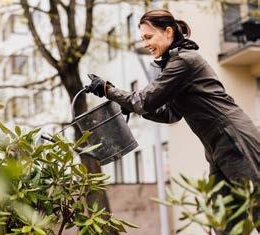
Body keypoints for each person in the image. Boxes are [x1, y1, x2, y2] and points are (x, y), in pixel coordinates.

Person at [85, 9, 259, 234]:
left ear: (168, 32)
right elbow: (170, 114)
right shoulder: (173, 64)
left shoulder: (185, 61)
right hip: (216, 148)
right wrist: (126, 103)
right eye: (143, 39)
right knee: (224, 222)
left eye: (149, 37)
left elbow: (144, 101)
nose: (146, 44)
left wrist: (108, 89)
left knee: (256, 206)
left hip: (234, 139)